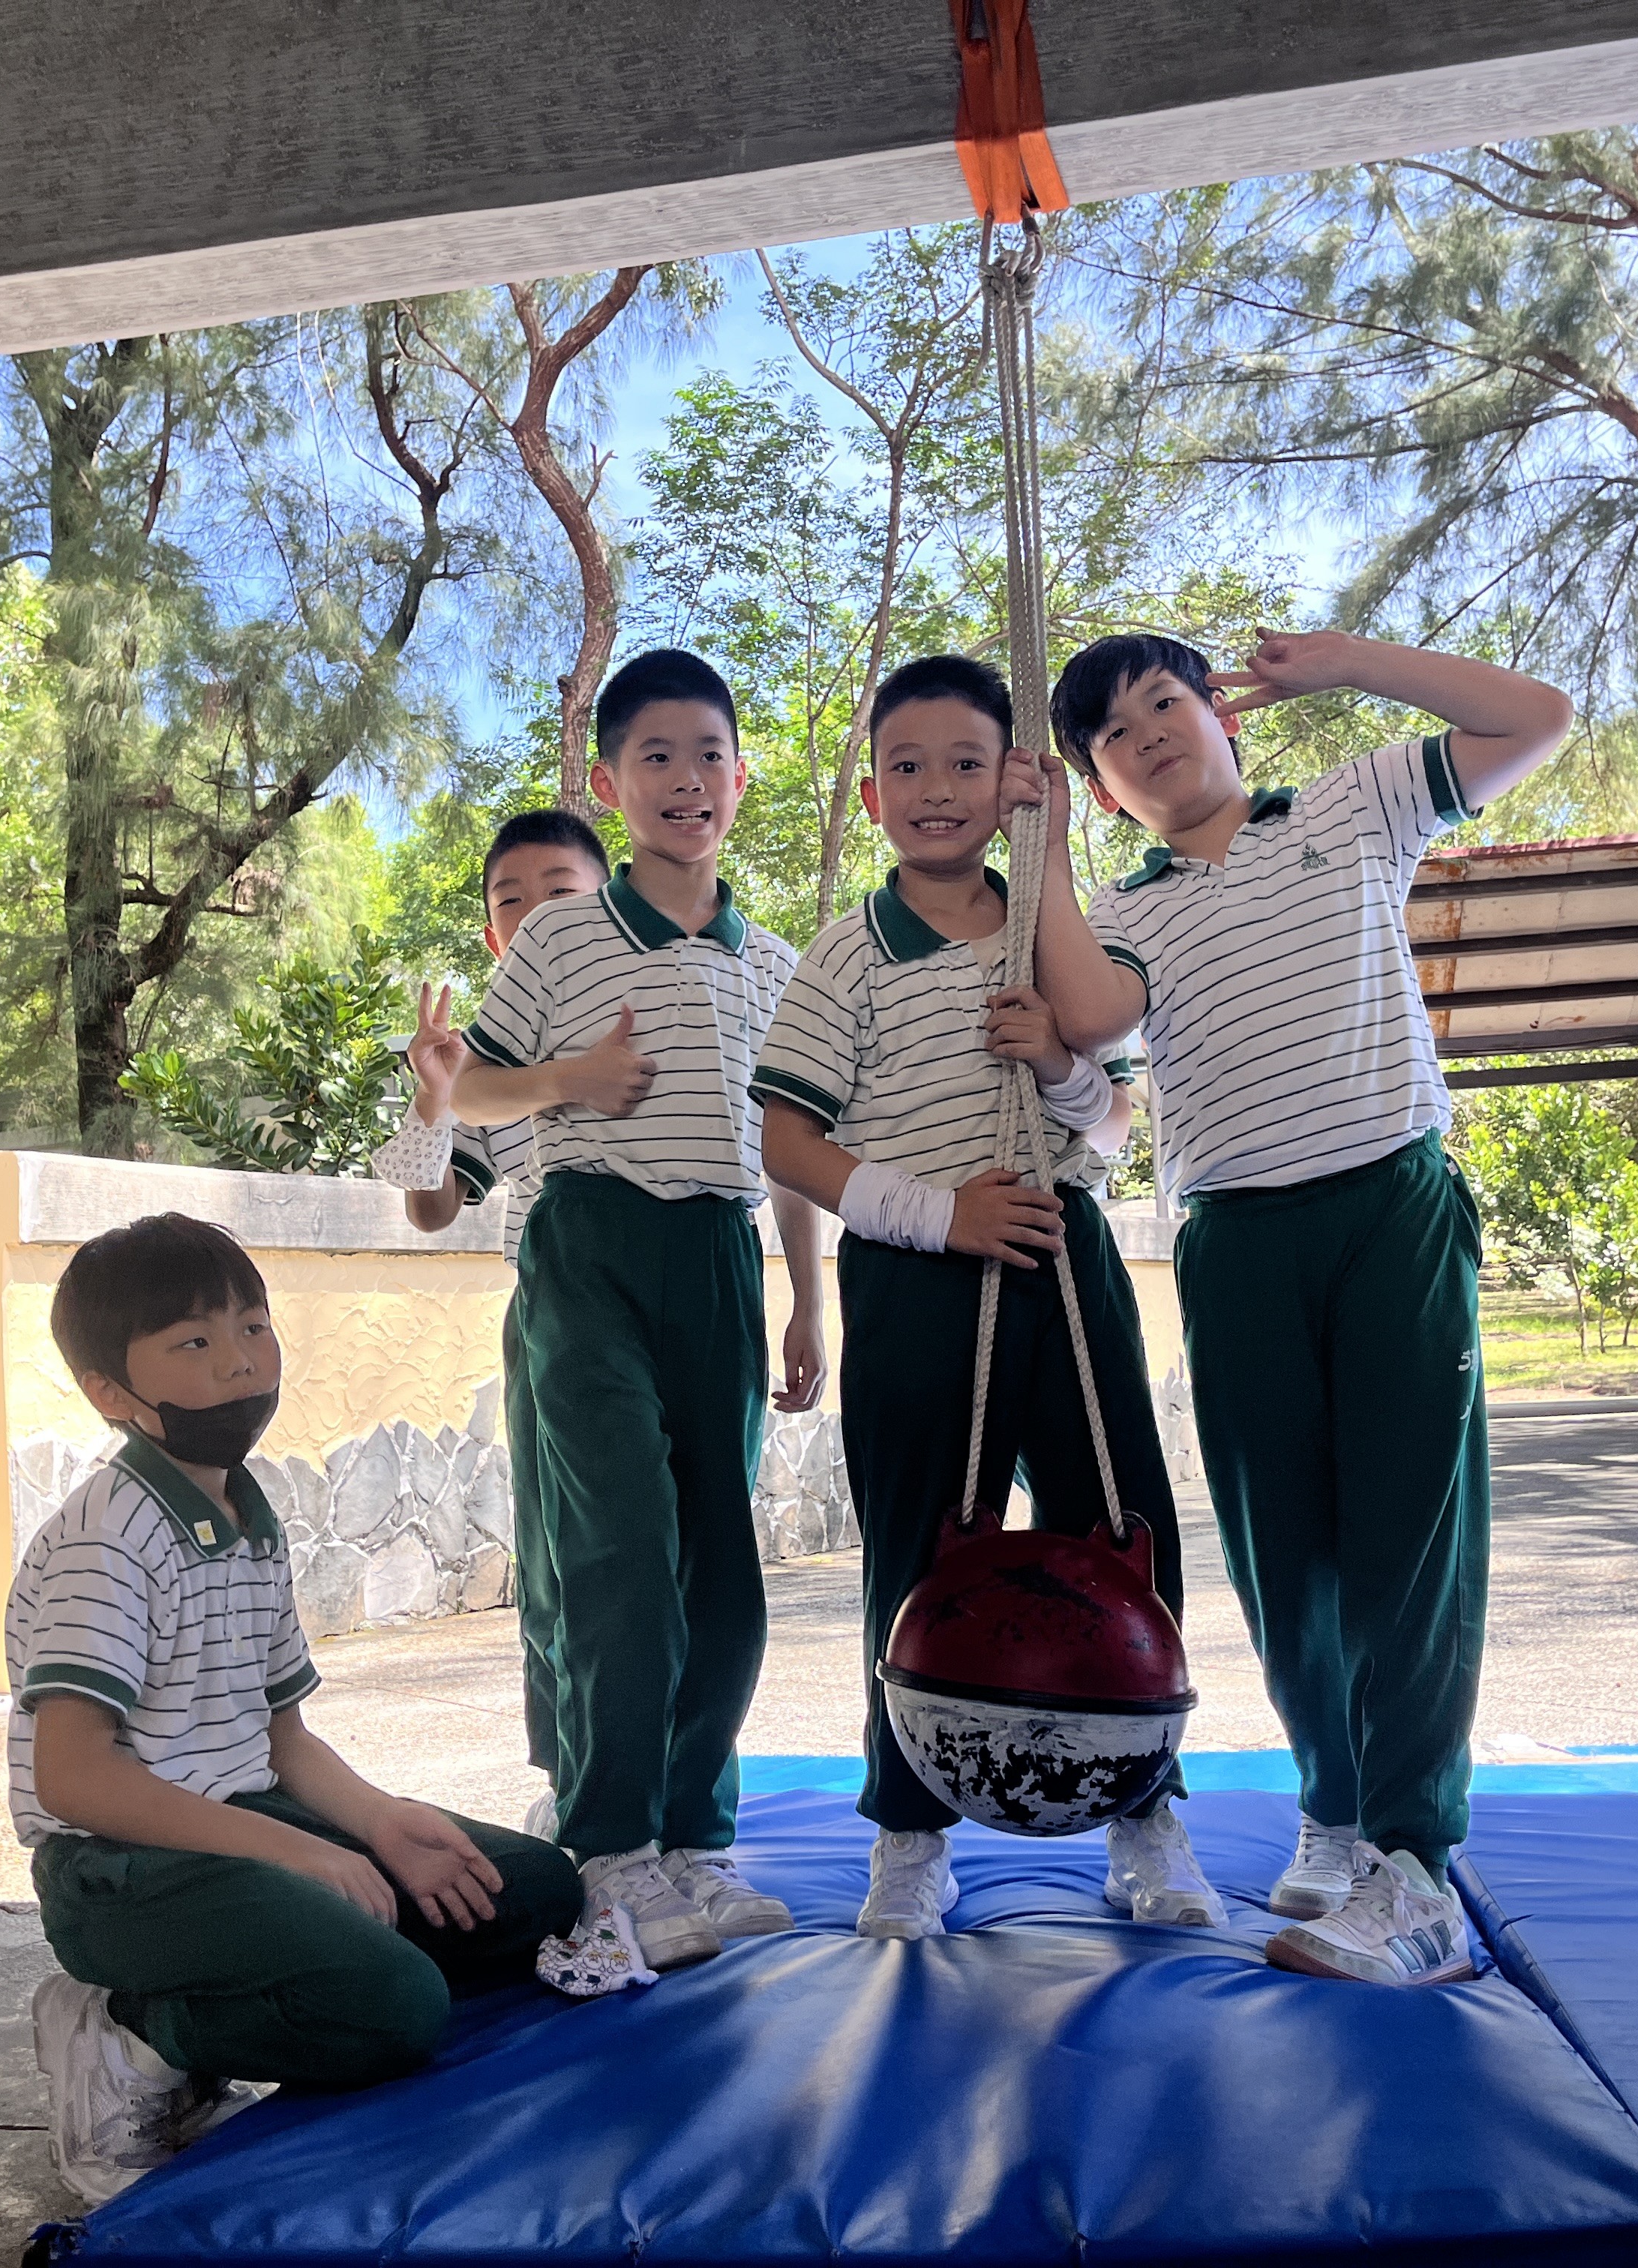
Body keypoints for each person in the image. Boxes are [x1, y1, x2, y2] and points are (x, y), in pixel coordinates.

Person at [1023, 627, 1572, 1988]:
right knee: (1288, 1561)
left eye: (1168, 702)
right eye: (1114, 736)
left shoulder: (1354, 806)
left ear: (1226, 716)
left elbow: (1537, 714)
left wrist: (1348, 665)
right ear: (1102, 789)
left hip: (1391, 1210)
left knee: (1411, 1547)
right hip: (1239, 1242)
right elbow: (1087, 1017)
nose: (1150, 734)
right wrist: (1044, 854)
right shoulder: (1130, 912)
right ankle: (1337, 1807)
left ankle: (1415, 1866)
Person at [750, 653, 1213, 1942]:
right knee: (917, 1549)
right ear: (872, 792)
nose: (938, 789)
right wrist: (938, 1215)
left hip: (1062, 1261)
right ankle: (910, 1833)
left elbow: (1112, 1126)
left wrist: (1060, 1066)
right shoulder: (851, 951)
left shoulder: (1054, 929)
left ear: (1012, 779)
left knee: (1121, 1526)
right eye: (908, 767)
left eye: (967, 762)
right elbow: (786, 1141)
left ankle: (1144, 1811)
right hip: (916, 1278)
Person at [11, 1213, 585, 2202]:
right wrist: (302, 1855)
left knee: (528, 1893)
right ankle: (133, 2033)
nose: (240, 1361)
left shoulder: (249, 1514)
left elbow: (283, 1735)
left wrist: (383, 1824)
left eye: (253, 1326)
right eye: (194, 1341)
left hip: (242, 1821)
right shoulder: (106, 1540)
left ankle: (306, 1965)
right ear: (112, 1393)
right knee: (393, 2008)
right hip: (120, 1871)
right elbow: (73, 1777)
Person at [448, 648, 830, 1972]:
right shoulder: (559, 937)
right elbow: (471, 1092)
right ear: (611, 787)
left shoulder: (776, 963)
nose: (685, 778)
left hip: (720, 1260)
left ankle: (695, 1846)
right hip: (591, 1252)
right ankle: (612, 1850)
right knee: (619, 1554)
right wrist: (572, 1078)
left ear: (741, 776)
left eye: (706, 753)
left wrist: (808, 1301)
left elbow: (793, 1153)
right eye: (654, 756)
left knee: (722, 1572)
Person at [368, 807, 614, 1838]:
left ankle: (683, 1787)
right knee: (559, 1559)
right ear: (491, 935)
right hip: (556, 1324)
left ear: (609, 902)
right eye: (512, 901)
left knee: (688, 1558)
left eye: (560, 892)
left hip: (689, 1304)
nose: (535, 915)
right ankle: (574, 1775)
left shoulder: (674, 1011)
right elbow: (432, 1209)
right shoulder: (489, 1069)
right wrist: (436, 1098)